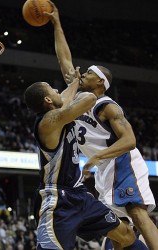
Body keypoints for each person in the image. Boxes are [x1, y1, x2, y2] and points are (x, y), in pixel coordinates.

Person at [45, 2, 158, 249]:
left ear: (99, 82)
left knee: (138, 213)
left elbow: (130, 141)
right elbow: (64, 58)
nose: (81, 74)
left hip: (122, 161)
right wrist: (56, 23)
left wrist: (95, 159)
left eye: (87, 73)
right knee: (120, 231)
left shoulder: (107, 105)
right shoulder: (75, 97)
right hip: (104, 169)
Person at [24, 75, 148, 250]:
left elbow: (65, 98)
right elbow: (89, 98)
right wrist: (81, 88)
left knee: (126, 235)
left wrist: (75, 82)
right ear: (48, 99)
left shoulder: (59, 115)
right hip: (57, 201)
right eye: (53, 89)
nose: (58, 90)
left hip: (80, 195)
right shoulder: (47, 123)